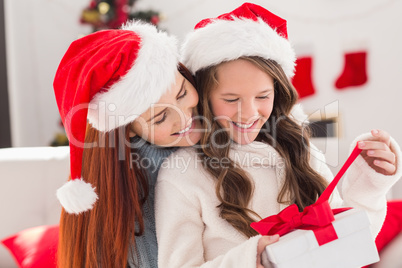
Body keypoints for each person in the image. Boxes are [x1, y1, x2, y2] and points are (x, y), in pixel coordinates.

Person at [154, 3, 402, 268]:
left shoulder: (298, 148)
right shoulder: (182, 175)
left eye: (263, 96)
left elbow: (349, 248)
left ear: (278, 92)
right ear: (204, 97)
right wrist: (251, 260)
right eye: (231, 99)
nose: (249, 113)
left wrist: (369, 184)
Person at [53, 21, 206, 268]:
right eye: (160, 117)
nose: (184, 116)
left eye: (182, 94)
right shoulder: (144, 178)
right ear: (129, 133)